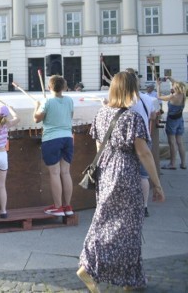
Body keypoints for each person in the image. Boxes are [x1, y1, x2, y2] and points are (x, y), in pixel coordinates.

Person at [77, 71, 165, 292]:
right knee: (130, 227)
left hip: (106, 171)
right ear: (131, 90)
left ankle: (92, 266)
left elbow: (99, 148)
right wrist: (157, 183)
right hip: (126, 172)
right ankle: (127, 279)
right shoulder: (132, 117)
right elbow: (144, 153)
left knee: (102, 221)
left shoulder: (101, 113)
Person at [33, 75, 75, 217]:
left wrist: (37, 107)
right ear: (64, 87)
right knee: (66, 172)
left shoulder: (47, 101)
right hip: (67, 137)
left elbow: (36, 119)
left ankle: (58, 207)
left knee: (55, 173)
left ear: (49, 87)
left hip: (52, 138)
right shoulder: (69, 100)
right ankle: (67, 206)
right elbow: (70, 116)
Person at [125, 68, 158, 217]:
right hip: (145, 138)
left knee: (127, 175)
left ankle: (129, 205)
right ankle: (144, 206)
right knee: (143, 176)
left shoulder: (126, 100)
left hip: (129, 141)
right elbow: (152, 116)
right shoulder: (147, 98)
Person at [157, 77, 186, 170]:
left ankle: (172, 164)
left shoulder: (172, 96)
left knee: (172, 143)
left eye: (173, 86)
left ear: (176, 88)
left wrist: (158, 86)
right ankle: (183, 163)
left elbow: (159, 96)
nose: (172, 86)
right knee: (180, 142)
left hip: (172, 121)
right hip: (180, 120)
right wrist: (169, 78)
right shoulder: (183, 95)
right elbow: (176, 83)